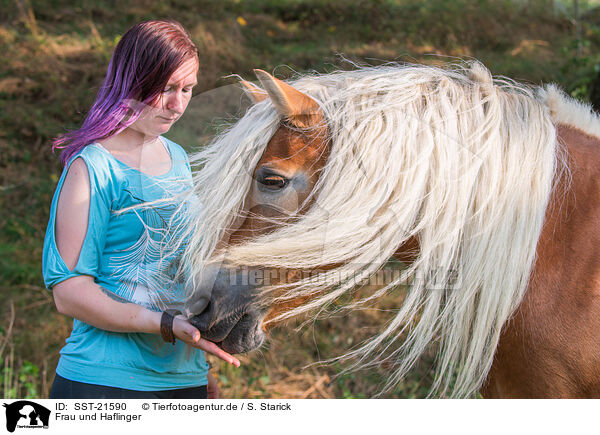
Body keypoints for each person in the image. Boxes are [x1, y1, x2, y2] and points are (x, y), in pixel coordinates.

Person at [42, 20, 240, 399]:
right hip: (105, 383)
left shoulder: (178, 158)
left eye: (188, 89)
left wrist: (201, 372)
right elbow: (68, 292)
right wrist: (164, 324)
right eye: (166, 89)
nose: (177, 104)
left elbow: (174, 271)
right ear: (134, 83)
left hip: (185, 381)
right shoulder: (93, 168)